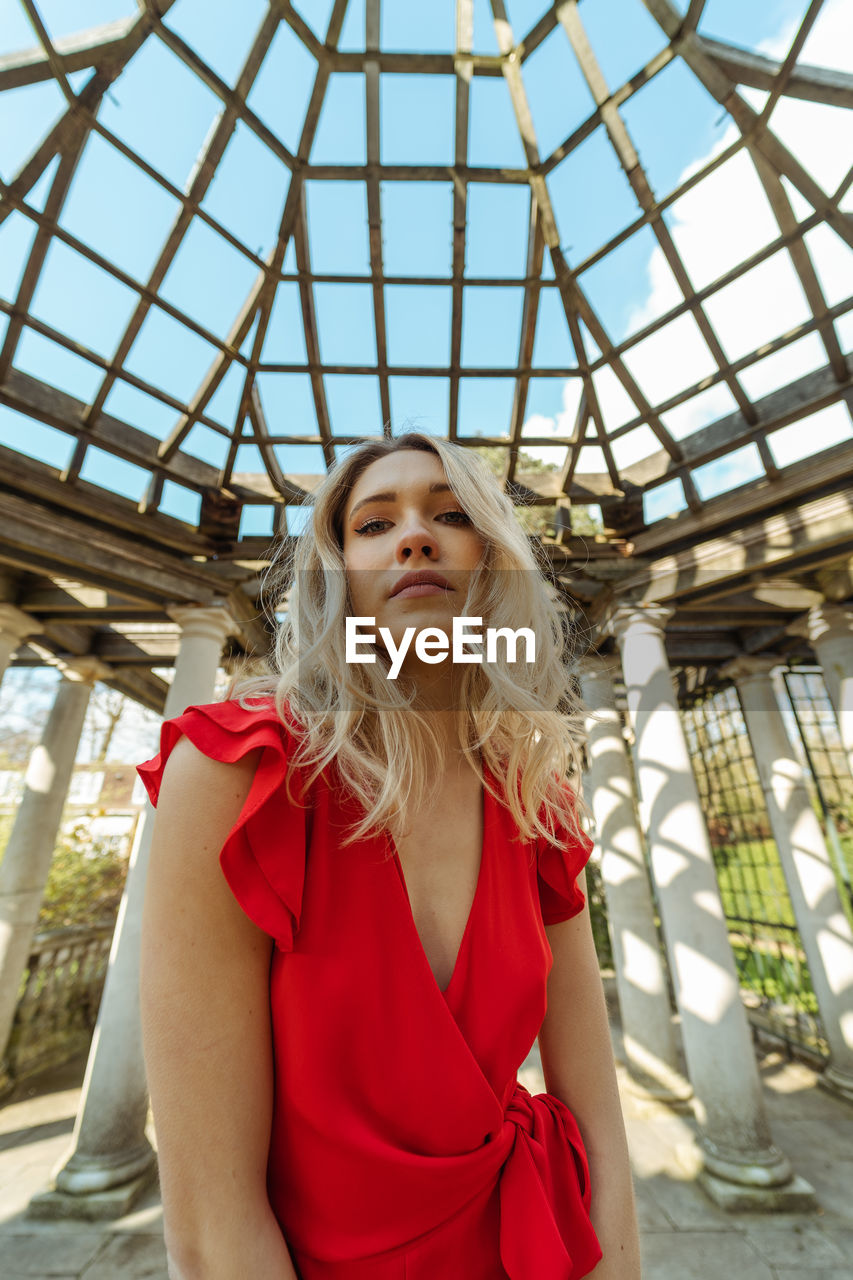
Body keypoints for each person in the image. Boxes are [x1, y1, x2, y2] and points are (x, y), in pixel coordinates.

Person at [138, 432, 642, 1280]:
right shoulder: (238, 776)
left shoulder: (535, 797)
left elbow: (601, 1128)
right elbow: (211, 1223)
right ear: (332, 578)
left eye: (449, 514)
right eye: (373, 524)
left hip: (529, 1248)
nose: (415, 536)